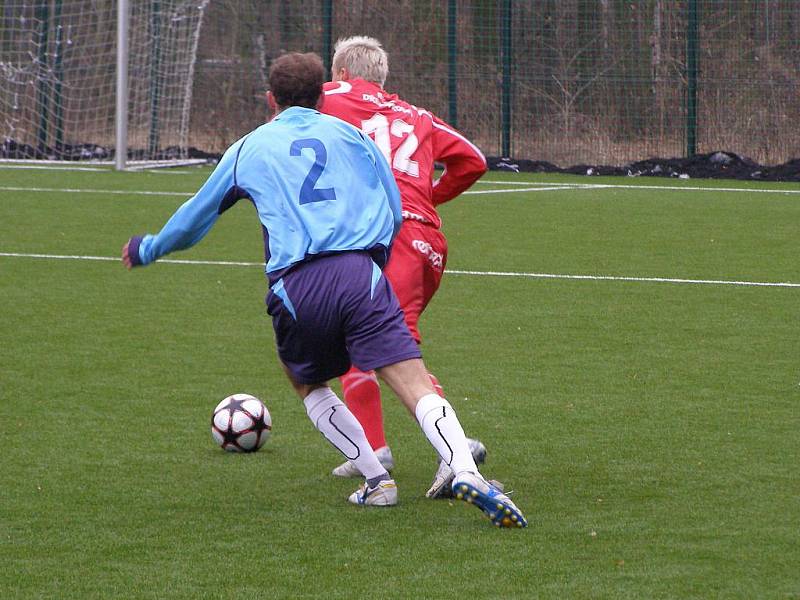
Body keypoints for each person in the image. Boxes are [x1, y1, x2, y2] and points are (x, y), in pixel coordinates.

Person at [122, 52, 526, 528]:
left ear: (270, 99)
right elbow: (393, 208)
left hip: (298, 282)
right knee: (412, 378)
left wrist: (149, 248)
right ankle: (463, 467)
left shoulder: (249, 148)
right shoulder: (352, 135)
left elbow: (195, 220)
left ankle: (377, 481)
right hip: (363, 273)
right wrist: (371, 264)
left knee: (306, 380)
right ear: (322, 97)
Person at [319, 36, 489, 498]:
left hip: (388, 238)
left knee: (383, 345)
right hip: (427, 242)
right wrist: (428, 196)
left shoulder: (330, 97)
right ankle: (379, 451)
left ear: (340, 74)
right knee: (369, 339)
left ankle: (449, 454)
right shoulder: (417, 115)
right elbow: (473, 161)